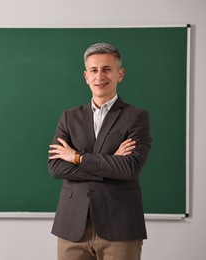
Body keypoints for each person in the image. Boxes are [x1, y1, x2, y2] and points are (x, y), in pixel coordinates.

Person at [48, 43, 152, 260]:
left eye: (107, 69)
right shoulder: (69, 117)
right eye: (94, 70)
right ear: (86, 76)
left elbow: (130, 168)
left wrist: (77, 157)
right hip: (72, 226)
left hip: (120, 225)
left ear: (119, 74)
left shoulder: (136, 117)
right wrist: (111, 162)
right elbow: (56, 167)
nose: (100, 76)